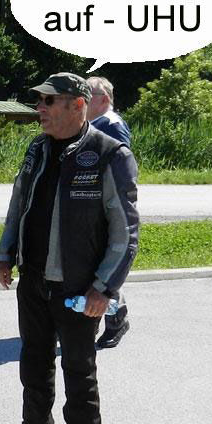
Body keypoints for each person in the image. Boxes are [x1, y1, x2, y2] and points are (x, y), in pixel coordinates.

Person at [0, 73, 139, 424]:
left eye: (48, 101)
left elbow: (125, 232)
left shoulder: (110, 154)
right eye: (39, 100)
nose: (40, 108)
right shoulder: (37, 148)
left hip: (79, 288)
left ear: (78, 105)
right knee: (34, 364)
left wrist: (104, 288)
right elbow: (19, 204)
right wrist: (5, 251)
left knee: (79, 374)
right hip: (33, 280)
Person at [87, 75, 132, 349]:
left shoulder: (112, 125)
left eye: (87, 94)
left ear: (103, 99)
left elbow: (120, 171)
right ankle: (89, 320)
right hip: (89, 206)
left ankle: (117, 319)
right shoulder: (92, 124)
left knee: (104, 270)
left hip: (105, 209)